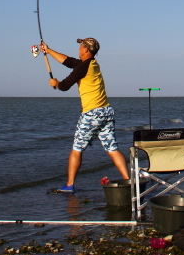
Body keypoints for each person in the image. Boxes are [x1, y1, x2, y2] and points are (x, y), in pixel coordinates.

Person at [40, 38, 130, 193]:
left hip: (92, 113)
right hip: (106, 112)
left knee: (77, 149)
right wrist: (48, 51)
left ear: (86, 50)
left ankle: (69, 185)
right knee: (113, 148)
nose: (79, 49)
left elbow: (65, 86)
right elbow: (68, 61)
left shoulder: (83, 67)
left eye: (81, 46)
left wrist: (56, 84)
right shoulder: (92, 64)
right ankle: (128, 181)